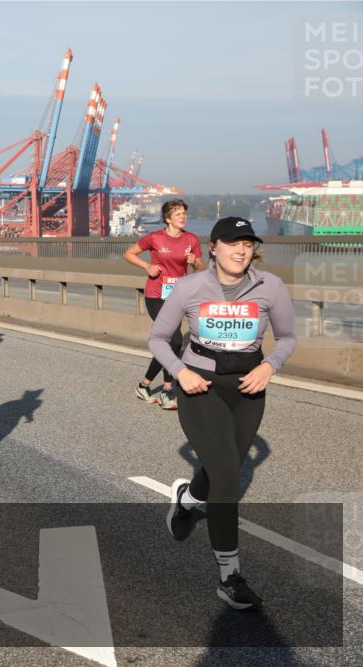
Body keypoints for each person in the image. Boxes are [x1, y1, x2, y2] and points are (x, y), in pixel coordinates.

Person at [151, 216, 296, 611]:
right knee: (229, 474)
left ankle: (185, 500)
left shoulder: (271, 287)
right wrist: (181, 373)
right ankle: (229, 577)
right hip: (201, 387)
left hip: (249, 388)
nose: (241, 250)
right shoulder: (190, 286)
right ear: (212, 247)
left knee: (220, 469)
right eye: (232, 243)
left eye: (248, 244)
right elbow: (159, 338)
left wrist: (270, 366)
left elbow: (286, 337)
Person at [123, 199, 204, 410]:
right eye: (178, 214)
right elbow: (129, 254)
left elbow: (200, 270)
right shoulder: (155, 238)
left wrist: (195, 261)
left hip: (178, 296)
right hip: (156, 295)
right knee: (174, 339)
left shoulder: (191, 239)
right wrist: (147, 266)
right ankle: (168, 391)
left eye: (184, 213)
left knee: (172, 343)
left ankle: (144, 385)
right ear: (168, 219)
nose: (183, 217)